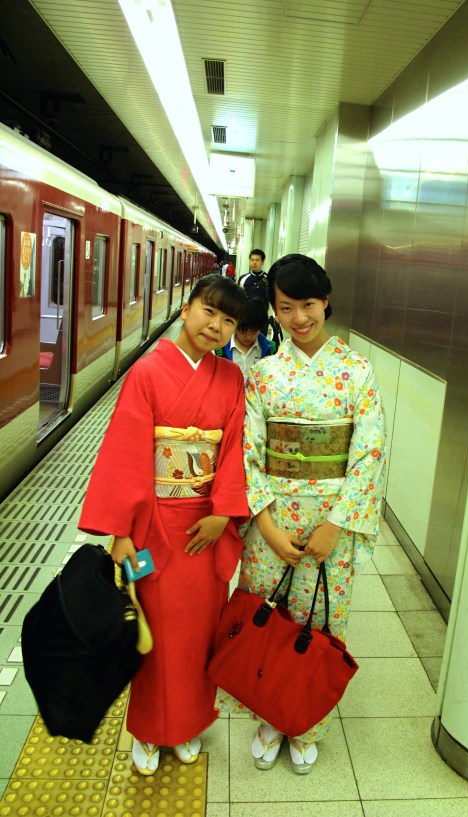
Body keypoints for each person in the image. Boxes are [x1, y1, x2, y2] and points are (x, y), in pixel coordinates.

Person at [216, 253, 387, 774]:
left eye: (308, 304)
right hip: (274, 522)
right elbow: (250, 450)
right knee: (273, 617)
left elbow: (370, 450)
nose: (299, 318)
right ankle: (270, 717)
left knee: (322, 620)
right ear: (273, 309)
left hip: (334, 525)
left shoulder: (356, 370)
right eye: (286, 307)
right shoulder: (264, 375)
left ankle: (306, 722)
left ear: (326, 301)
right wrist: (263, 523)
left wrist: (337, 523)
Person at [79, 276, 249, 776]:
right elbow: (126, 454)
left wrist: (223, 512)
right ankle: (151, 729)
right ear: (187, 307)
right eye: (209, 312)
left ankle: (191, 722)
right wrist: (122, 530)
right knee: (153, 636)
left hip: (205, 529)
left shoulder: (232, 379)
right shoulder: (147, 373)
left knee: (199, 635)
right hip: (154, 526)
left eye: (229, 321)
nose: (215, 327)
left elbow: (235, 445)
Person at [215, 296, 276, 383]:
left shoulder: (271, 350)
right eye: (243, 332)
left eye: (254, 332)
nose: (249, 337)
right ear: (234, 326)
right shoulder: (219, 349)